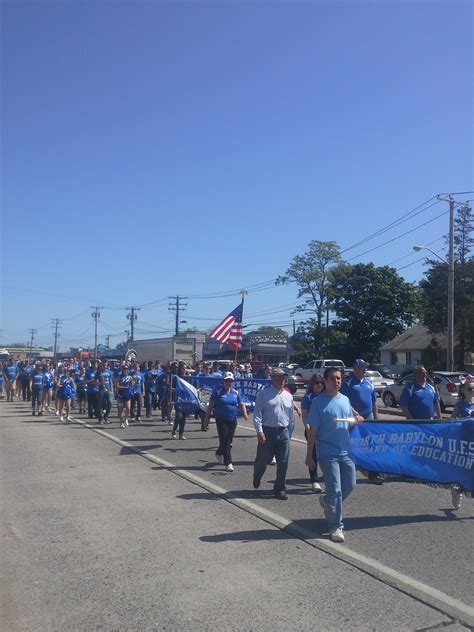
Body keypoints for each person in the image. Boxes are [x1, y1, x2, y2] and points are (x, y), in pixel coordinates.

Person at [306, 367, 364, 543]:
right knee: (336, 490)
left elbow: (351, 422)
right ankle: (336, 526)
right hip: (327, 453)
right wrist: (309, 456)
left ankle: (326, 500)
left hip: (345, 451)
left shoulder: (345, 400)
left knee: (350, 485)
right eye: (332, 378)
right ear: (325, 381)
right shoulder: (318, 402)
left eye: (339, 378)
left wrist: (358, 419)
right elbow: (313, 431)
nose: (336, 381)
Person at [252, 367, 295, 500]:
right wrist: (259, 431)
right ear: (273, 378)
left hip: (283, 432)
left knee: (283, 462)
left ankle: (280, 488)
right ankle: (257, 475)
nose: (282, 379)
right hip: (267, 431)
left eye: (283, 377)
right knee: (262, 460)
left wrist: (289, 435)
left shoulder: (288, 396)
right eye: (279, 377)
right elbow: (257, 414)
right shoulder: (264, 394)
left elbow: (291, 417)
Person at [341, 358, 382, 484]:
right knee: (351, 445)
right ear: (355, 369)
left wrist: (376, 419)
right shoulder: (348, 384)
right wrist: (356, 415)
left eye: (365, 367)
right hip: (353, 419)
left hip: (368, 418)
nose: (365, 369)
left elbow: (374, 402)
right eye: (362, 367)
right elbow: (344, 401)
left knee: (371, 446)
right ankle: (346, 472)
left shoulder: (369, 383)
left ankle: (373, 474)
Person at [203, 371, 248, 472]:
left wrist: (244, 413)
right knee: (225, 441)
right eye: (227, 381)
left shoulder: (235, 392)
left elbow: (241, 404)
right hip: (221, 419)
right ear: (223, 381)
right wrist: (206, 421)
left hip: (232, 420)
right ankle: (229, 463)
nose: (229, 383)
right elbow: (210, 407)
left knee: (228, 441)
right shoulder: (217, 392)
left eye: (231, 381)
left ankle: (219, 453)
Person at [449, 377, 474, 509]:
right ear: (463, 390)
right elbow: (451, 422)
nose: (472, 391)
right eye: (470, 389)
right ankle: (457, 490)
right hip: (464, 443)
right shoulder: (460, 406)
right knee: (464, 470)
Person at [301, 375, 325, 492]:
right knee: (313, 456)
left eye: (321, 383)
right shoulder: (308, 398)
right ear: (312, 384)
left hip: (325, 431)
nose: (319, 385)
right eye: (317, 383)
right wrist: (308, 429)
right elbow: (304, 416)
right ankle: (314, 480)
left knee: (325, 455)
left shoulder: (326, 397)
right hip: (312, 431)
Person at [172, 361, 188, 439]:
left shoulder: (188, 377)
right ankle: (174, 430)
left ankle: (181, 434)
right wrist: (174, 390)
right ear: (180, 369)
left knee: (184, 418)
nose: (184, 369)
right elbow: (172, 387)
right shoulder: (176, 377)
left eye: (185, 368)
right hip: (178, 399)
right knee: (179, 416)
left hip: (186, 399)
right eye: (183, 368)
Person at [115, 363, 133, 428]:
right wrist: (124, 387)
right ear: (122, 369)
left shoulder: (130, 376)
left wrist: (132, 385)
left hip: (127, 394)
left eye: (127, 368)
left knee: (128, 408)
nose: (126, 369)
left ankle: (125, 419)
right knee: (121, 409)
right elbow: (117, 386)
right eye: (124, 368)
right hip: (120, 394)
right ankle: (121, 422)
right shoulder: (119, 376)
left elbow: (132, 385)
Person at [95, 360, 113, 424]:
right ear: (101, 365)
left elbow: (110, 381)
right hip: (100, 390)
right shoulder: (98, 372)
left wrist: (111, 390)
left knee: (110, 403)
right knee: (100, 404)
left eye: (106, 365)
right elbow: (96, 382)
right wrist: (100, 383)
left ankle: (106, 417)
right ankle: (100, 419)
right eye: (104, 365)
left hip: (107, 390)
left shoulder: (110, 372)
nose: (105, 366)